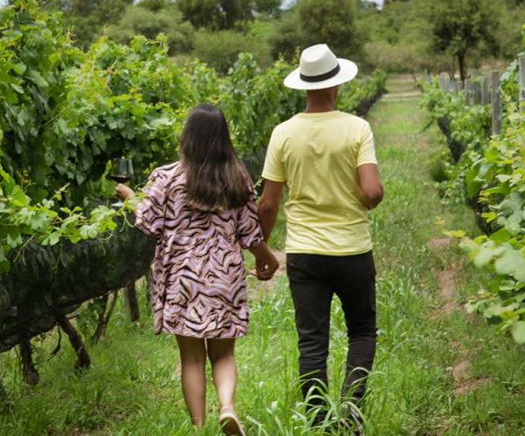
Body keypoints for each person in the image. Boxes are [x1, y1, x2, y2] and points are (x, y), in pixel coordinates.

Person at [115, 103, 280, 436]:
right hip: (224, 275)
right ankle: (228, 407)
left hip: (181, 276)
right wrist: (269, 258)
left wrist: (131, 197)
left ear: (187, 137)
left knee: (191, 358)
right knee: (223, 353)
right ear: (223, 138)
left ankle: (199, 428)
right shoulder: (237, 177)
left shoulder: (166, 177)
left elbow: (148, 222)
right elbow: (250, 232)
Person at [257, 43, 384, 428]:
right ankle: (350, 411)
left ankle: (317, 421)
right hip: (351, 250)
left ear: (304, 86)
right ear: (337, 85)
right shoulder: (357, 128)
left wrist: (261, 251)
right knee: (361, 331)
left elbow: (267, 204)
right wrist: (362, 197)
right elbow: (372, 192)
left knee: (312, 341)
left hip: (304, 252)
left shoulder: (283, 133)